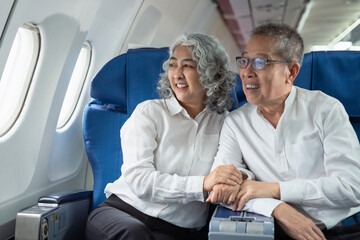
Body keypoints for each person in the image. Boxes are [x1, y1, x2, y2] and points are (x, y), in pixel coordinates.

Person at [207, 22, 360, 240]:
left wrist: (274, 189)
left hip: (342, 228)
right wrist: (278, 209)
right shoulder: (236, 122)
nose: (247, 72)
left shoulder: (325, 109)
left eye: (260, 62)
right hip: (276, 228)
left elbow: (351, 188)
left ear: (291, 72)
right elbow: (223, 188)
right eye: (244, 61)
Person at [85, 33, 243, 240]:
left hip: (174, 229)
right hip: (121, 212)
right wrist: (203, 183)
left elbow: (233, 170)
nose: (177, 74)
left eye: (187, 66)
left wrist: (234, 178)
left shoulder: (226, 124)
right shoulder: (149, 113)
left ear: (211, 74)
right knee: (134, 234)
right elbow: (140, 180)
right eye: (172, 65)